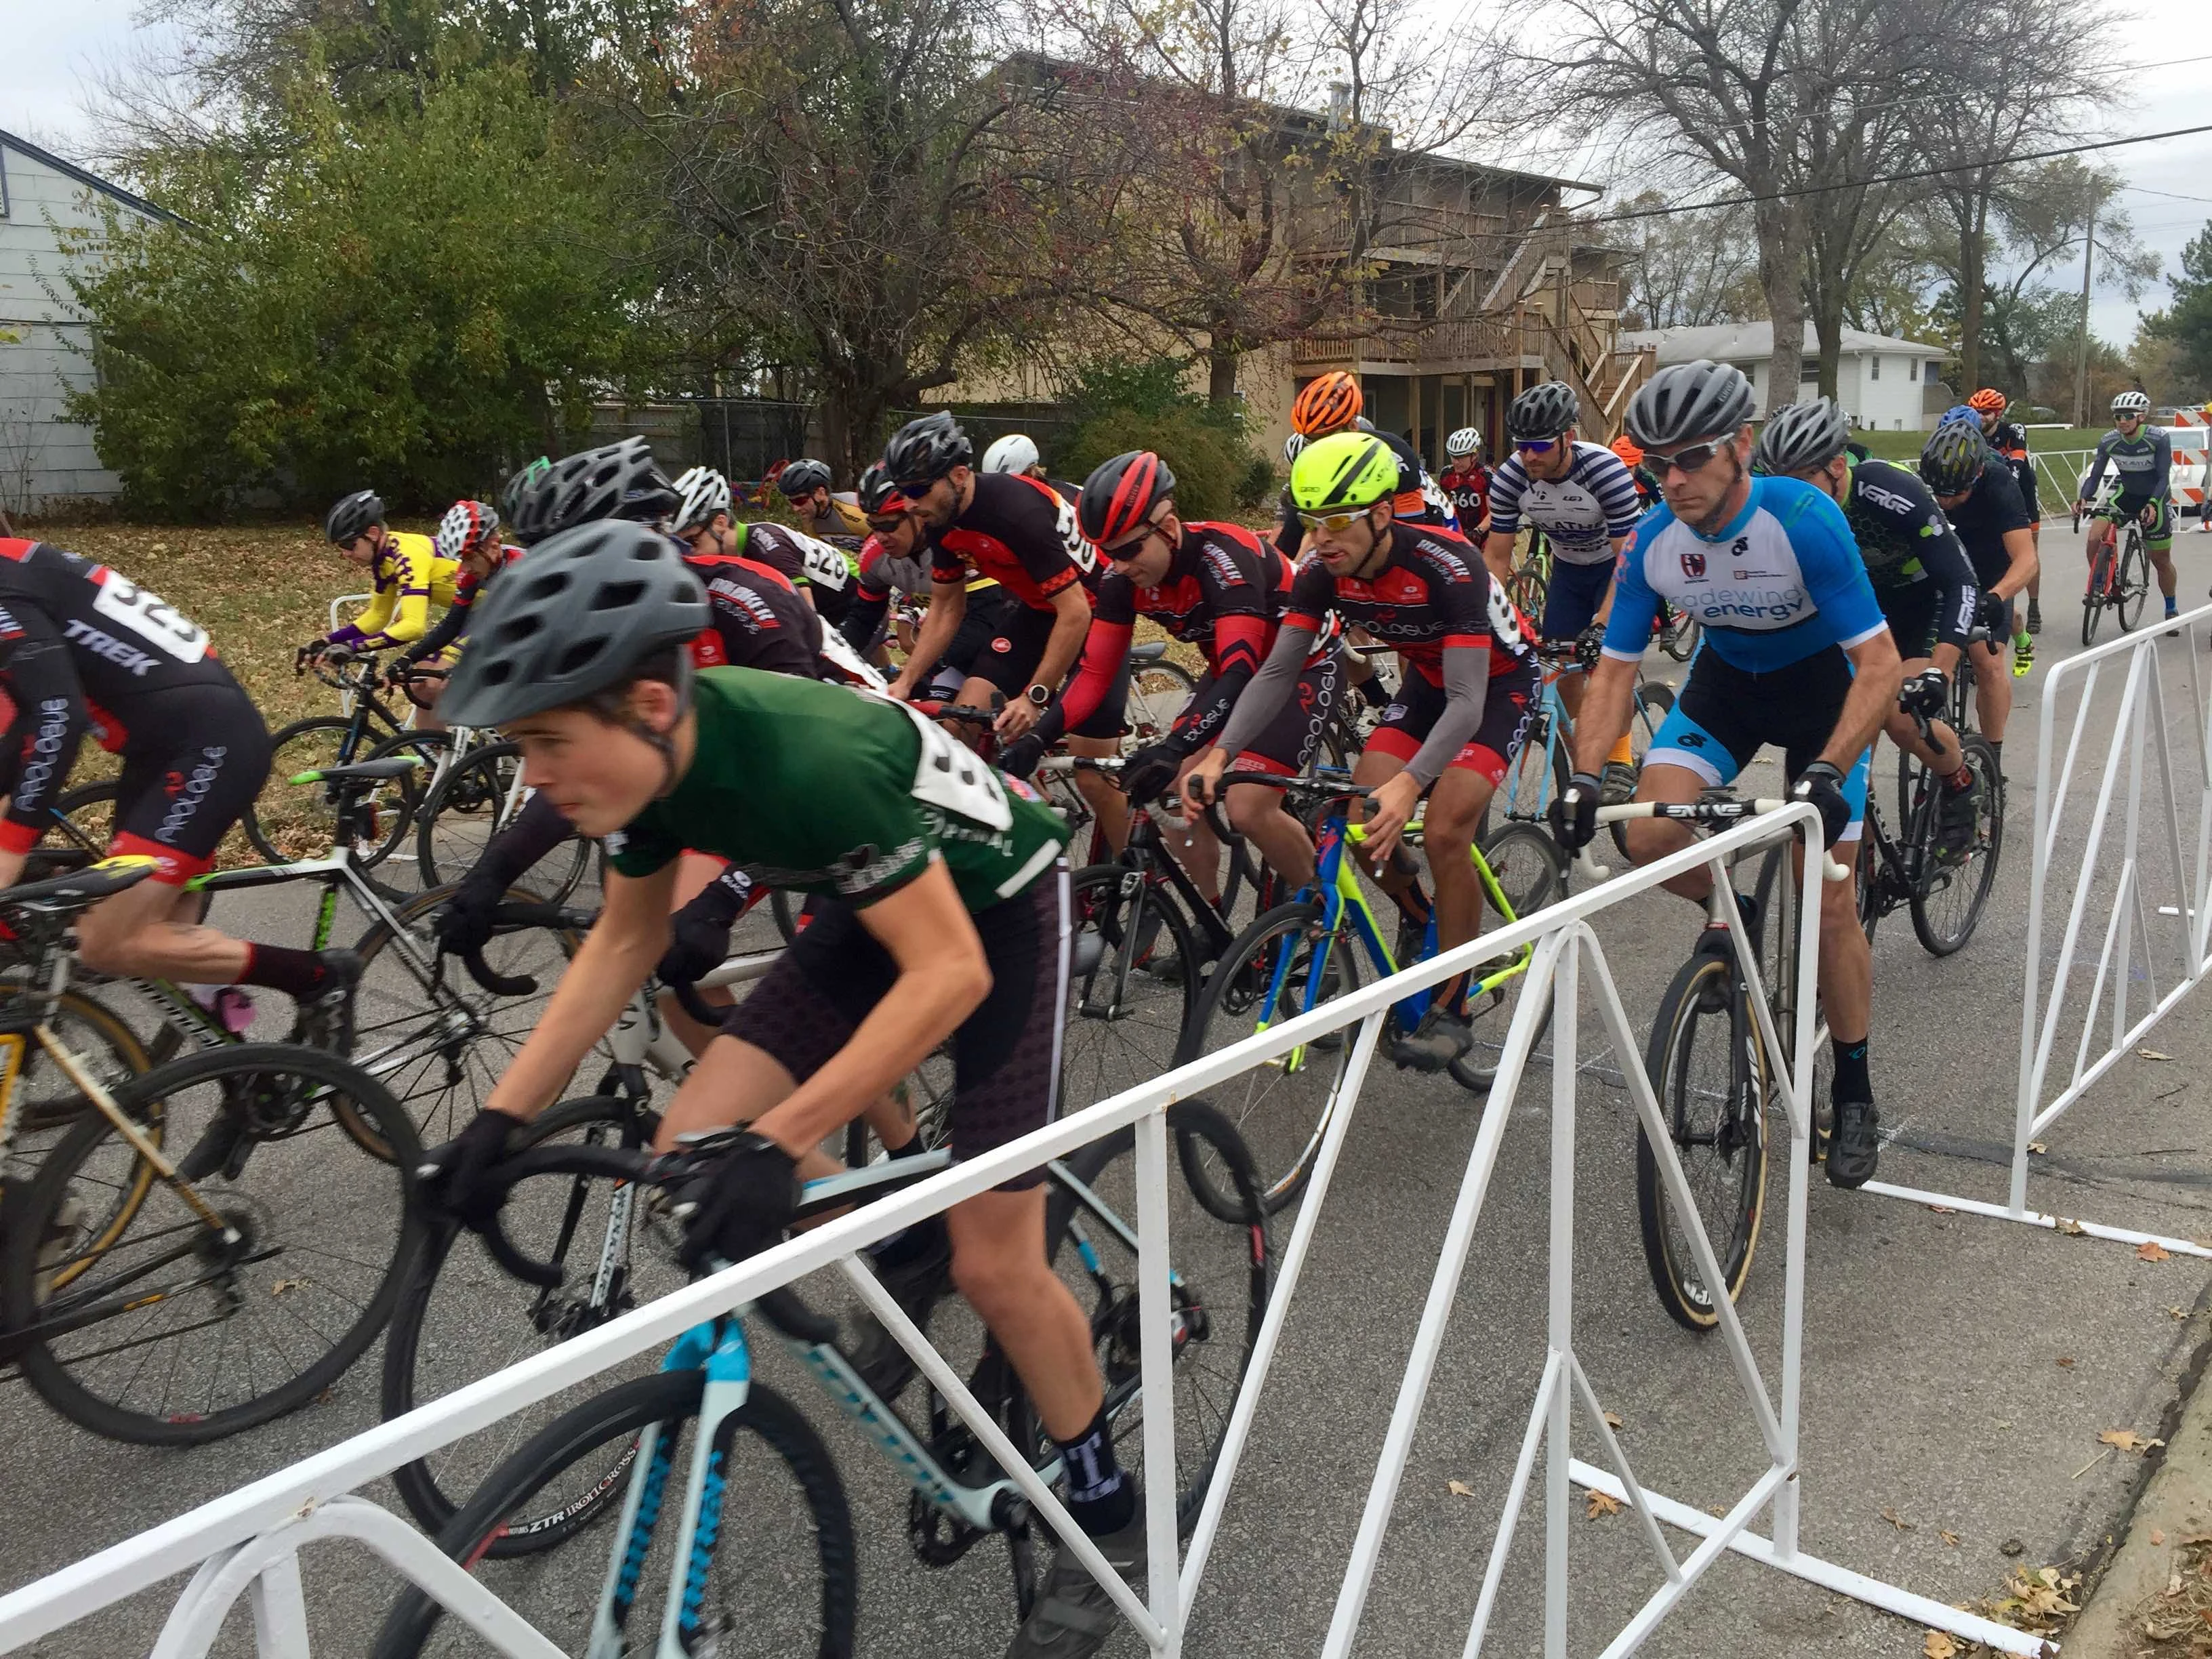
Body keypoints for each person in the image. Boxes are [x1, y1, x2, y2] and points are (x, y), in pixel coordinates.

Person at [416, 524, 1144, 1659]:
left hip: (1002, 910)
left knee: (994, 1258)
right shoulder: (649, 771)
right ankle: (890, 1258)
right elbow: (623, 940)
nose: (538, 780)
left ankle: (1110, 1522)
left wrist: (787, 1137)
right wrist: (496, 1121)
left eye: (548, 741)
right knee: (693, 1128)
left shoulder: (798, 755)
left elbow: (948, 971)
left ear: (650, 701)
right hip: (876, 889)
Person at [1547, 361, 1902, 1188]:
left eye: (1692, 458)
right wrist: (1583, 776)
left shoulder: (1805, 520)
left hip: (1826, 699)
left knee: (1832, 894)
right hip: (1727, 692)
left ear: (1741, 447)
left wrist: (1827, 768)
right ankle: (1728, 905)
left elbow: (1880, 665)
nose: (1673, 480)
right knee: (1647, 837)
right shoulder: (1653, 543)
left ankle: (1852, 1087)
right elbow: (1614, 672)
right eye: (1655, 464)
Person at [1183, 430, 1538, 1072]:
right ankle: (1417, 913)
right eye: (1312, 523)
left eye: (1338, 522)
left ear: (1381, 514)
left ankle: (1453, 1004)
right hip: (1432, 682)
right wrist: (1220, 754)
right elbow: (1275, 673)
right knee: (1359, 817)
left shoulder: (1449, 565)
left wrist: (1414, 783)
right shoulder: (1322, 575)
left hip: (1496, 685)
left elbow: (1467, 702)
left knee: (1445, 828)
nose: (1321, 539)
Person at [0, 534, 357, 1033]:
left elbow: (58, 715)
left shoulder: (7, 585)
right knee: (152, 945)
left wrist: (12, 845)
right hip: (166, 751)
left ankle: (318, 977)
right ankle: (242, 1070)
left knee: (106, 943)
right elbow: (20, 727)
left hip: (206, 747)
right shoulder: (18, 565)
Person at [1002, 450, 1338, 901]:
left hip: (1304, 667)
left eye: (1129, 550)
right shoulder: (1123, 582)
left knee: (1247, 808)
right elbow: (1095, 674)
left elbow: (1242, 668)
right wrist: (1038, 737)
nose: (1117, 565)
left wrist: (1176, 745)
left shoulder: (1224, 559)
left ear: (1171, 528)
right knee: (1168, 796)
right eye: (1107, 553)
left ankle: (1322, 917)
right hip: (1233, 672)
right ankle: (1210, 919)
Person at [877, 412, 1129, 853]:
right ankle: (995, 849)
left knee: (1093, 774)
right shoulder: (941, 517)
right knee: (960, 727)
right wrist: (904, 681)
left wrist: (1036, 696)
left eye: (917, 490)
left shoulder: (1016, 511)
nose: (910, 504)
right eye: (903, 493)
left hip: (1097, 612)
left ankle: (1138, 870)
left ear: (958, 475)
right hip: (1038, 609)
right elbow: (946, 606)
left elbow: (1074, 614)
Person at [1752, 400, 1983, 857]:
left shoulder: (1887, 489)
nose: (1790, 498)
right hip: (1854, 611)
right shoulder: (1776, 507)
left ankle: (1960, 781)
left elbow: (1960, 581)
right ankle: (1861, 861)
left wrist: (1940, 671)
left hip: (1919, 605)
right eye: (1778, 485)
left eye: (1802, 482)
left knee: (1899, 716)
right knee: (1831, 737)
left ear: (1838, 467)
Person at [1480, 381, 1645, 799]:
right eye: (1522, 446)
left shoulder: (1604, 470)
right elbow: (1497, 556)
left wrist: (1603, 623)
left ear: (1568, 437)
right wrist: (1488, 619)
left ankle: (1621, 760)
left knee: (1607, 664)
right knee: (1563, 668)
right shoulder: (1512, 477)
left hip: (1617, 569)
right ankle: (1586, 755)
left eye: (1539, 445)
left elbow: (1628, 560)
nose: (1530, 455)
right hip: (1569, 572)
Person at [1920, 423, 2039, 758]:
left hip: (1990, 569)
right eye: (1938, 493)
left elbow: (2027, 559)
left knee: (1987, 660)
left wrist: (1998, 595)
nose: (1945, 501)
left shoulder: (1999, 483)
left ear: (1978, 473)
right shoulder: (1922, 482)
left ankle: (1993, 755)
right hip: (1943, 567)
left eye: (1956, 493)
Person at [674, 465, 857, 630]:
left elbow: (809, 618)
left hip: (852, 596)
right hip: (830, 602)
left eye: (693, 542)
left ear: (720, 523)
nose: (691, 552)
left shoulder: (768, 547)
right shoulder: (739, 552)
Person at [309, 490, 459, 660]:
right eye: (341, 548)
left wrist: (352, 647)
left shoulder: (406, 556)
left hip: (490, 608)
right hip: (471, 612)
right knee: (420, 682)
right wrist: (326, 642)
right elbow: (379, 615)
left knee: (430, 683)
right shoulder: (384, 559)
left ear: (373, 534)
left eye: (349, 545)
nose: (346, 554)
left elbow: (414, 626)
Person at [2076, 390, 2179, 628]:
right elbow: (2095, 475)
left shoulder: (2158, 438)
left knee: (2160, 560)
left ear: (2141, 417)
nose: (2122, 421)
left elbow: (2164, 477)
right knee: (2094, 537)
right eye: (2118, 416)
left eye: (2128, 416)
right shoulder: (2109, 440)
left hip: (2155, 497)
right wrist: (2083, 498)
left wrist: (2153, 504)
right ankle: (2101, 584)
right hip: (2127, 496)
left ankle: (2171, 607)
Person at [1969, 388, 2043, 638]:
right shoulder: (1971, 431)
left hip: (2021, 493)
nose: (1980, 417)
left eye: (1986, 412)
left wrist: (2005, 482)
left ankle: (2034, 606)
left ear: (1998, 413)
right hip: (1992, 495)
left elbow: (2017, 462)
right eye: (1976, 411)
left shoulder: (2013, 431)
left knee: (2029, 551)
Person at [777, 458, 870, 540]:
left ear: (821, 493)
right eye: (792, 502)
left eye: (800, 501)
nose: (795, 508)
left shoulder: (854, 511)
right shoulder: (811, 521)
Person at [1439, 427, 1492, 536]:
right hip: (1460, 531)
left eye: (1461, 458)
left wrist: (1478, 531)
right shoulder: (1447, 474)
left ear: (1474, 456)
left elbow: (1494, 512)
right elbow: (1445, 506)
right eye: (1453, 457)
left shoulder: (1486, 476)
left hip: (1484, 532)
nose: (1456, 462)